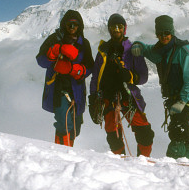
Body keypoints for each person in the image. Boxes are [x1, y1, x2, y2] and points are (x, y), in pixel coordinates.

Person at [131, 15, 189, 159]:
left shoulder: (184, 51)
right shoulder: (159, 51)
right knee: (182, 127)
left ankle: (175, 158)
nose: (164, 36)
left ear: (172, 32)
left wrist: (182, 101)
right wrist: (138, 44)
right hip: (173, 99)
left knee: (177, 127)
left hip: (187, 98)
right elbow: (146, 49)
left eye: (167, 33)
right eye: (160, 34)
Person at [89, 13, 154, 157]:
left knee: (145, 132)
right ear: (109, 29)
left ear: (124, 29)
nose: (116, 30)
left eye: (119, 26)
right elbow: (95, 77)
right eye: (113, 27)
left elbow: (143, 76)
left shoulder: (132, 50)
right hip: (108, 97)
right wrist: (92, 97)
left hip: (128, 97)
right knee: (113, 135)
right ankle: (120, 162)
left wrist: (131, 76)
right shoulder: (103, 51)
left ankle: (143, 161)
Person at [36, 9, 94, 147]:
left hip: (77, 89)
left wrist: (78, 70)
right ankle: (63, 153)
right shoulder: (54, 39)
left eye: (75, 24)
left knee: (75, 125)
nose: (72, 28)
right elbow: (41, 60)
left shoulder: (83, 43)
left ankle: (66, 150)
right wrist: (55, 51)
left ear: (80, 26)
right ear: (64, 25)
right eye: (69, 24)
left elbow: (90, 66)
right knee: (64, 123)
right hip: (59, 87)